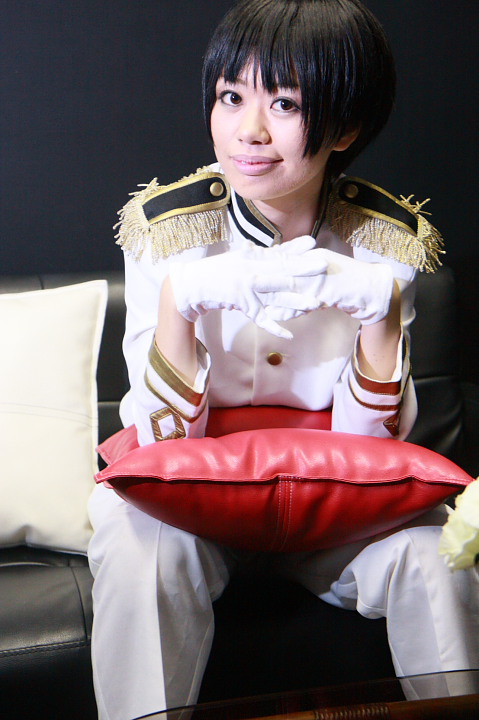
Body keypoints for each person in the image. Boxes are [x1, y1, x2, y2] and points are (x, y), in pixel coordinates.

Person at [87, 1, 479, 718]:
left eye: (286, 103)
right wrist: (180, 302)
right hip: (193, 502)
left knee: (434, 555)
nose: (249, 131)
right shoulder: (165, 233)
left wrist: (379, 315)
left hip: (335, 507)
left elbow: (372, 450)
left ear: (345, 127)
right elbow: (165, 445)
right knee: (140, 543)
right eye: (231, 97)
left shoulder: (387, 244)